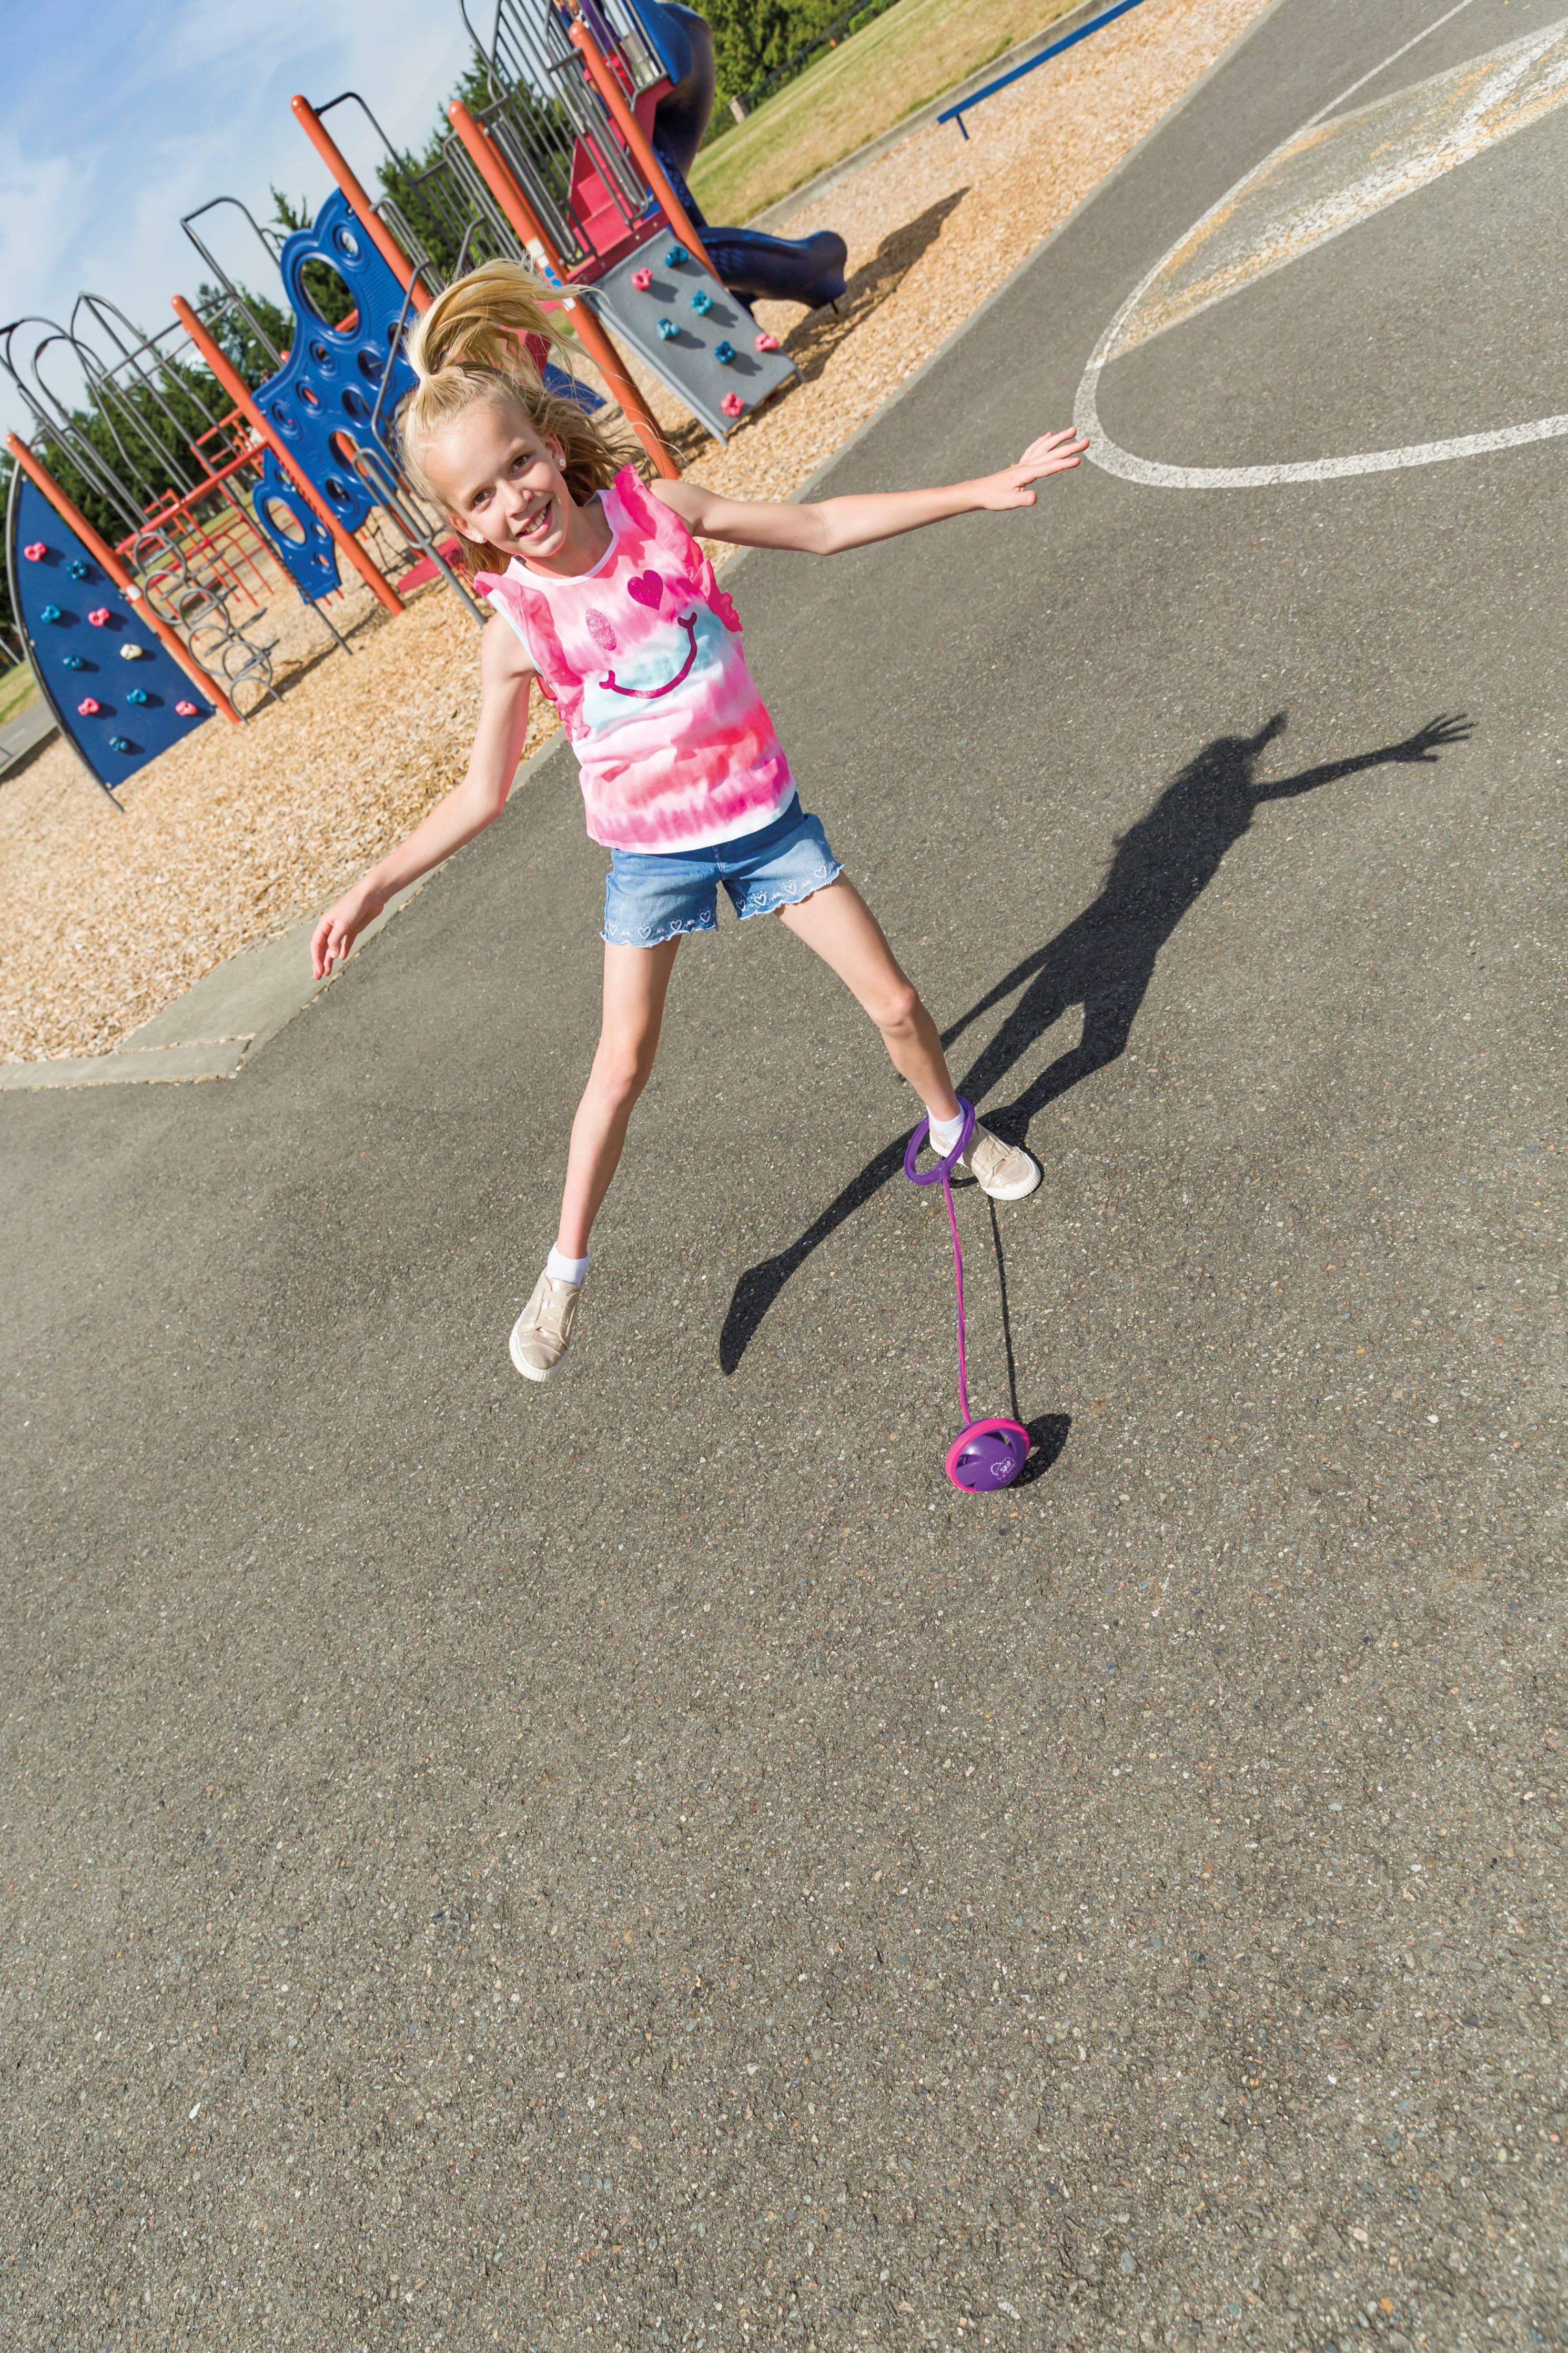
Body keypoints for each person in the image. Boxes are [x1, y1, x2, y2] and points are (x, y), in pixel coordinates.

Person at [311, 262, 1088, 1382]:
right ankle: (563, 1275)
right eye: (478, 498)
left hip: (767, 825)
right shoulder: (518, 629)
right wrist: (372, 886)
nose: (513, 500)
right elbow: (480, 795)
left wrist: (977, 488)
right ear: (462, 526)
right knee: (621, 1064)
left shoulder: (657, 515)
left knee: (897, 999)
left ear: (548, 438)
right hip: (650, 860)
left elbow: (818, 524)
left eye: (517, 464)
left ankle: (953, 1130)